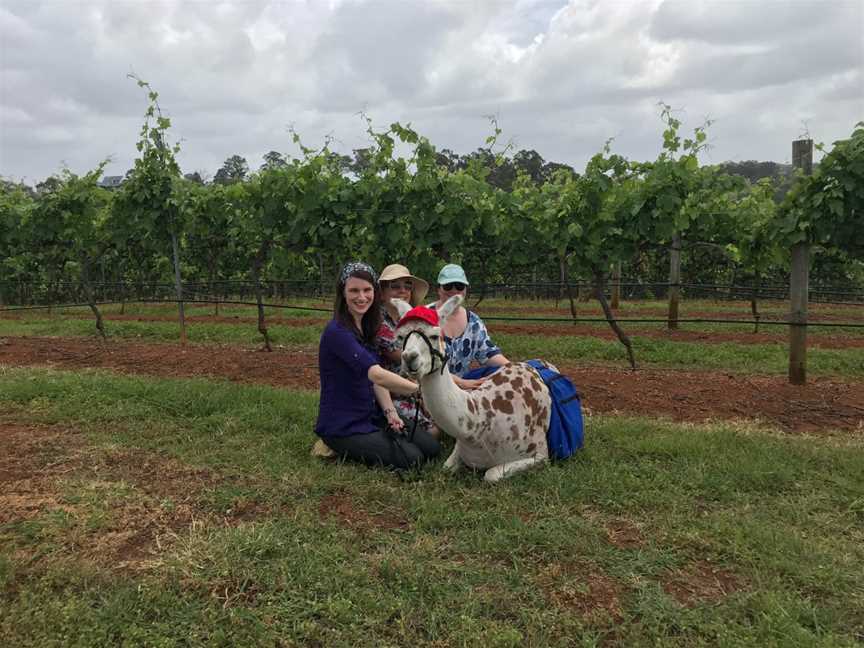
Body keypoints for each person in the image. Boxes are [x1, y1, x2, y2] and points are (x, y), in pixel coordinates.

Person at [313, 261, 440, 469]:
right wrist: (418, 391)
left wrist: (390, 413)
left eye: (366, 290)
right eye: (354, 290)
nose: (361, 297)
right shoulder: (337, 332)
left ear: (374, 291)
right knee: (413, 459)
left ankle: (377, 438)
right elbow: (377, 375)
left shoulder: (368, 326)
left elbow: (374, 379)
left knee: (432, 448)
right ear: (342, 293)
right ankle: (334, 444)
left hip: (372, 415)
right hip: (345, 424)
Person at [375, 264, 438, 438]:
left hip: (412, 386)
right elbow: (404, 358)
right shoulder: (379, 323)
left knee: (440, 423)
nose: (402, 291)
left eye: (407, 286)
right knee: (433, 430)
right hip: (388, 390)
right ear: (381, 293)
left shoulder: (409, 321)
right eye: (395, 286)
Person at [431, 263, 510, 389]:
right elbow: (424, 366)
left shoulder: (473, 322)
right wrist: (461, 383)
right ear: (438, 289)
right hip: (433, 387)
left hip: (462, 389)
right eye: (447, 286)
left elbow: (489, 353)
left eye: (459, 286)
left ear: (466, 290)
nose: (454, 291)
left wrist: (515, 368)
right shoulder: (424, 318)